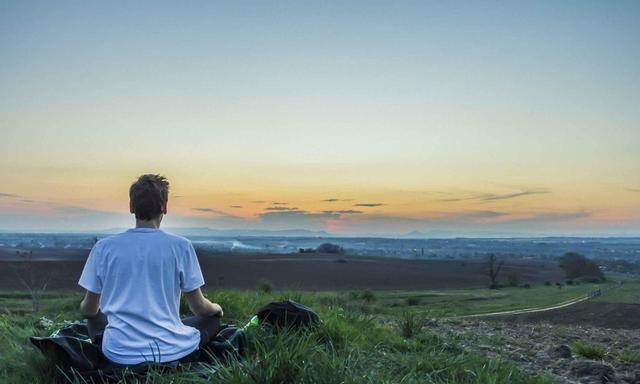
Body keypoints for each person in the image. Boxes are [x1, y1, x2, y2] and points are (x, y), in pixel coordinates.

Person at [77, 174, 223, 365]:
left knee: (95, 317)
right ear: (164, 207)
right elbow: (199, 308)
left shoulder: (104, 248)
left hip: (118, 353)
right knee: (212, 320)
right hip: (170, 351)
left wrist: (99, 312)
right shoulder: (181, 246)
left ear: (131, 207)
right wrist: (217, 309)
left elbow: (88, 309)